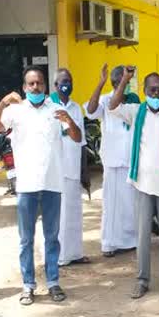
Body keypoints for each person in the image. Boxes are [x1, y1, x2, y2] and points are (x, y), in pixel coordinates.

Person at [0, 66, 82, 306]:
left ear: (45, 86)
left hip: (52, 183)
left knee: (52, 237)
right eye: (31, 84)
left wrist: (69, 120)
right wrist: (2, 103)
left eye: (39, 83)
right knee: (26, 239)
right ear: (24, 87)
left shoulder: (56, 110)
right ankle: (28, 285)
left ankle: (53, 283)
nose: (36, 87)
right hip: (27, 184)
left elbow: (78, 138)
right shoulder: (15, 111)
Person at [108, 68, 159, 299]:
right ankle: (142, 280)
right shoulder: (135, 111)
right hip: (142, 184)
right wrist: (125, 79)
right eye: (152, 90)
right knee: (142, 235)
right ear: (144, 91)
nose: (156, 93)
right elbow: (113, 106)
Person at [84, 64, 139, 258]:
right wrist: (100, 83)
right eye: (124, 81)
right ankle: (109, 243)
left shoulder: (133, 101)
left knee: (130, 204)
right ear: (116, 83)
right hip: (113, 161)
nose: (128, 85)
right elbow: (90, 111)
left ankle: (130, 241)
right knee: (112, 204)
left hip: (130, 160)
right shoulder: (106, 99)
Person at [50, 68, 89, 267]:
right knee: (60, 215)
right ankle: (60, 256)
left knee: (74, 212)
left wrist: (85, 170)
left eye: (70, 80)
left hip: (73, 167)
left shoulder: (76, 108)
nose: (67, 84)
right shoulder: (49, 107)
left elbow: (81, 141)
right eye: (63, 81)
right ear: (55, 86)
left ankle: (75, 253)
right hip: (57, 169)